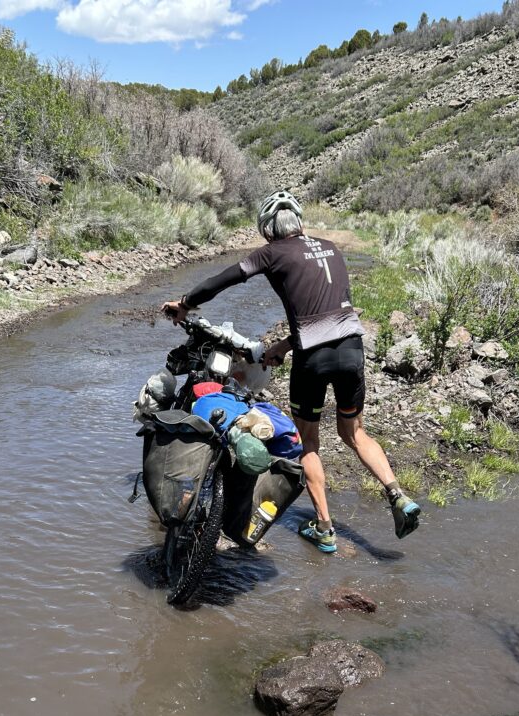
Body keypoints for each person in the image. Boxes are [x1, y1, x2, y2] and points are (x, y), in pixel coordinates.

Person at [161, 190, 420, 553]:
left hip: (313, 361)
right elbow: (324, 313)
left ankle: (325, 529)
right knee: (356, 433)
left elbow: (224, 279)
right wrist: (282, 347)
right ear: (300, 221)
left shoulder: (272, 252)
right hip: (351, 350)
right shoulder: (331, 247)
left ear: (268, 230)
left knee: (309, 442)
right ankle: (398, 495)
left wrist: (185, 304)